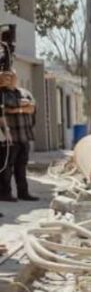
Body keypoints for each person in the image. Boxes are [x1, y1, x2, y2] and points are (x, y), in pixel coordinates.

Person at [0, 71, 36, 202]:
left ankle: (23, 192)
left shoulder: (24, 93)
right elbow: (6, 105)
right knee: (7, 167)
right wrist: (21, 105)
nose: (10, 79)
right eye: (7, 77)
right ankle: (5, 193)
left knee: (21, 166)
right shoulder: (2, 93)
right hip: (10, 137)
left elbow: (32, 107)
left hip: (24, 136)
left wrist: (15, 109)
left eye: (12, 76)